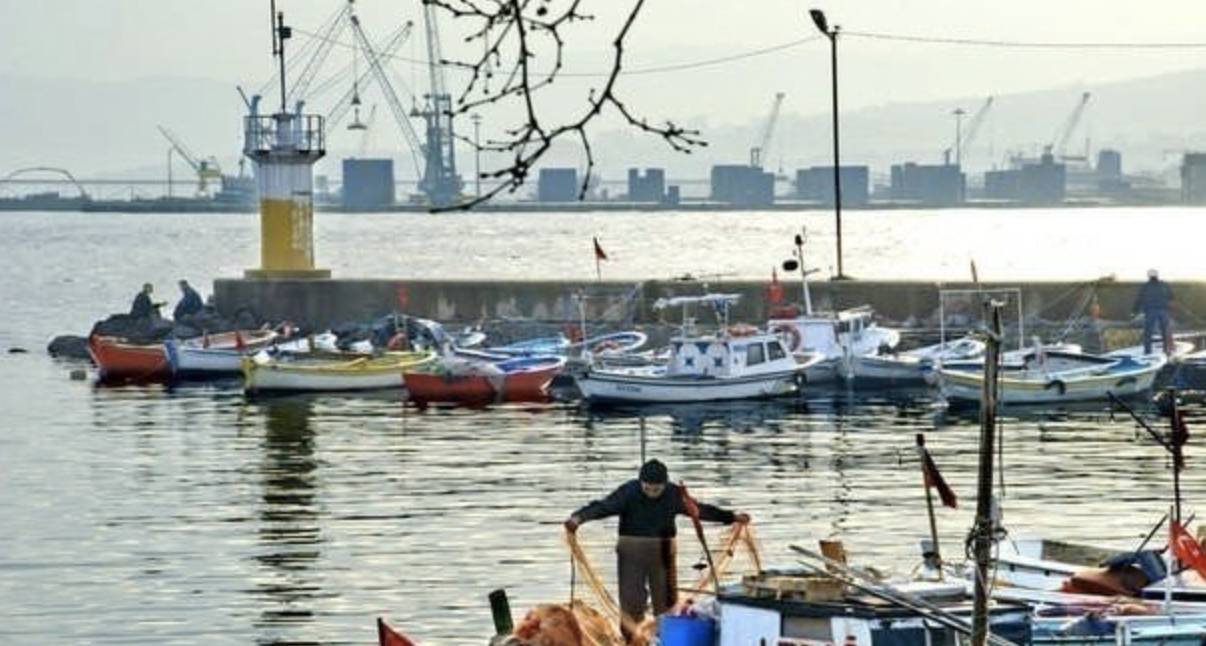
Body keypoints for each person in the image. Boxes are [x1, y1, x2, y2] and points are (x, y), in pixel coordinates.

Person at [564, 459, 749, 637]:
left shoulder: (674, 494)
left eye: (657, 489)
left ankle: (664, 638)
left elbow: (700, 510)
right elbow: (602, 507)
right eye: (647, 488)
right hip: (631, 553)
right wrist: (578, 518)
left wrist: (731, 517)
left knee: (666, 603)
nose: (652, 492)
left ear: (665, 484)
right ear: (640, 483)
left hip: (663, 553)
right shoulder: (628, 492)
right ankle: (633, 639)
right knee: (631, 603)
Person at [1133, 269, 1174, 355]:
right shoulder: (1164, 284)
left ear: (1149, 276)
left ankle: (1147, 352)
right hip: (1163, 311)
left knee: (1148, 332)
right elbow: (1171, 297)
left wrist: (1134, 311)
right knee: (1165, 332)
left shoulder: (1145, 286)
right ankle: (1167, 351)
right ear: (1157, 275)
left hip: (1150, 311)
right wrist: (1169, 308)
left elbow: (1139, 299)